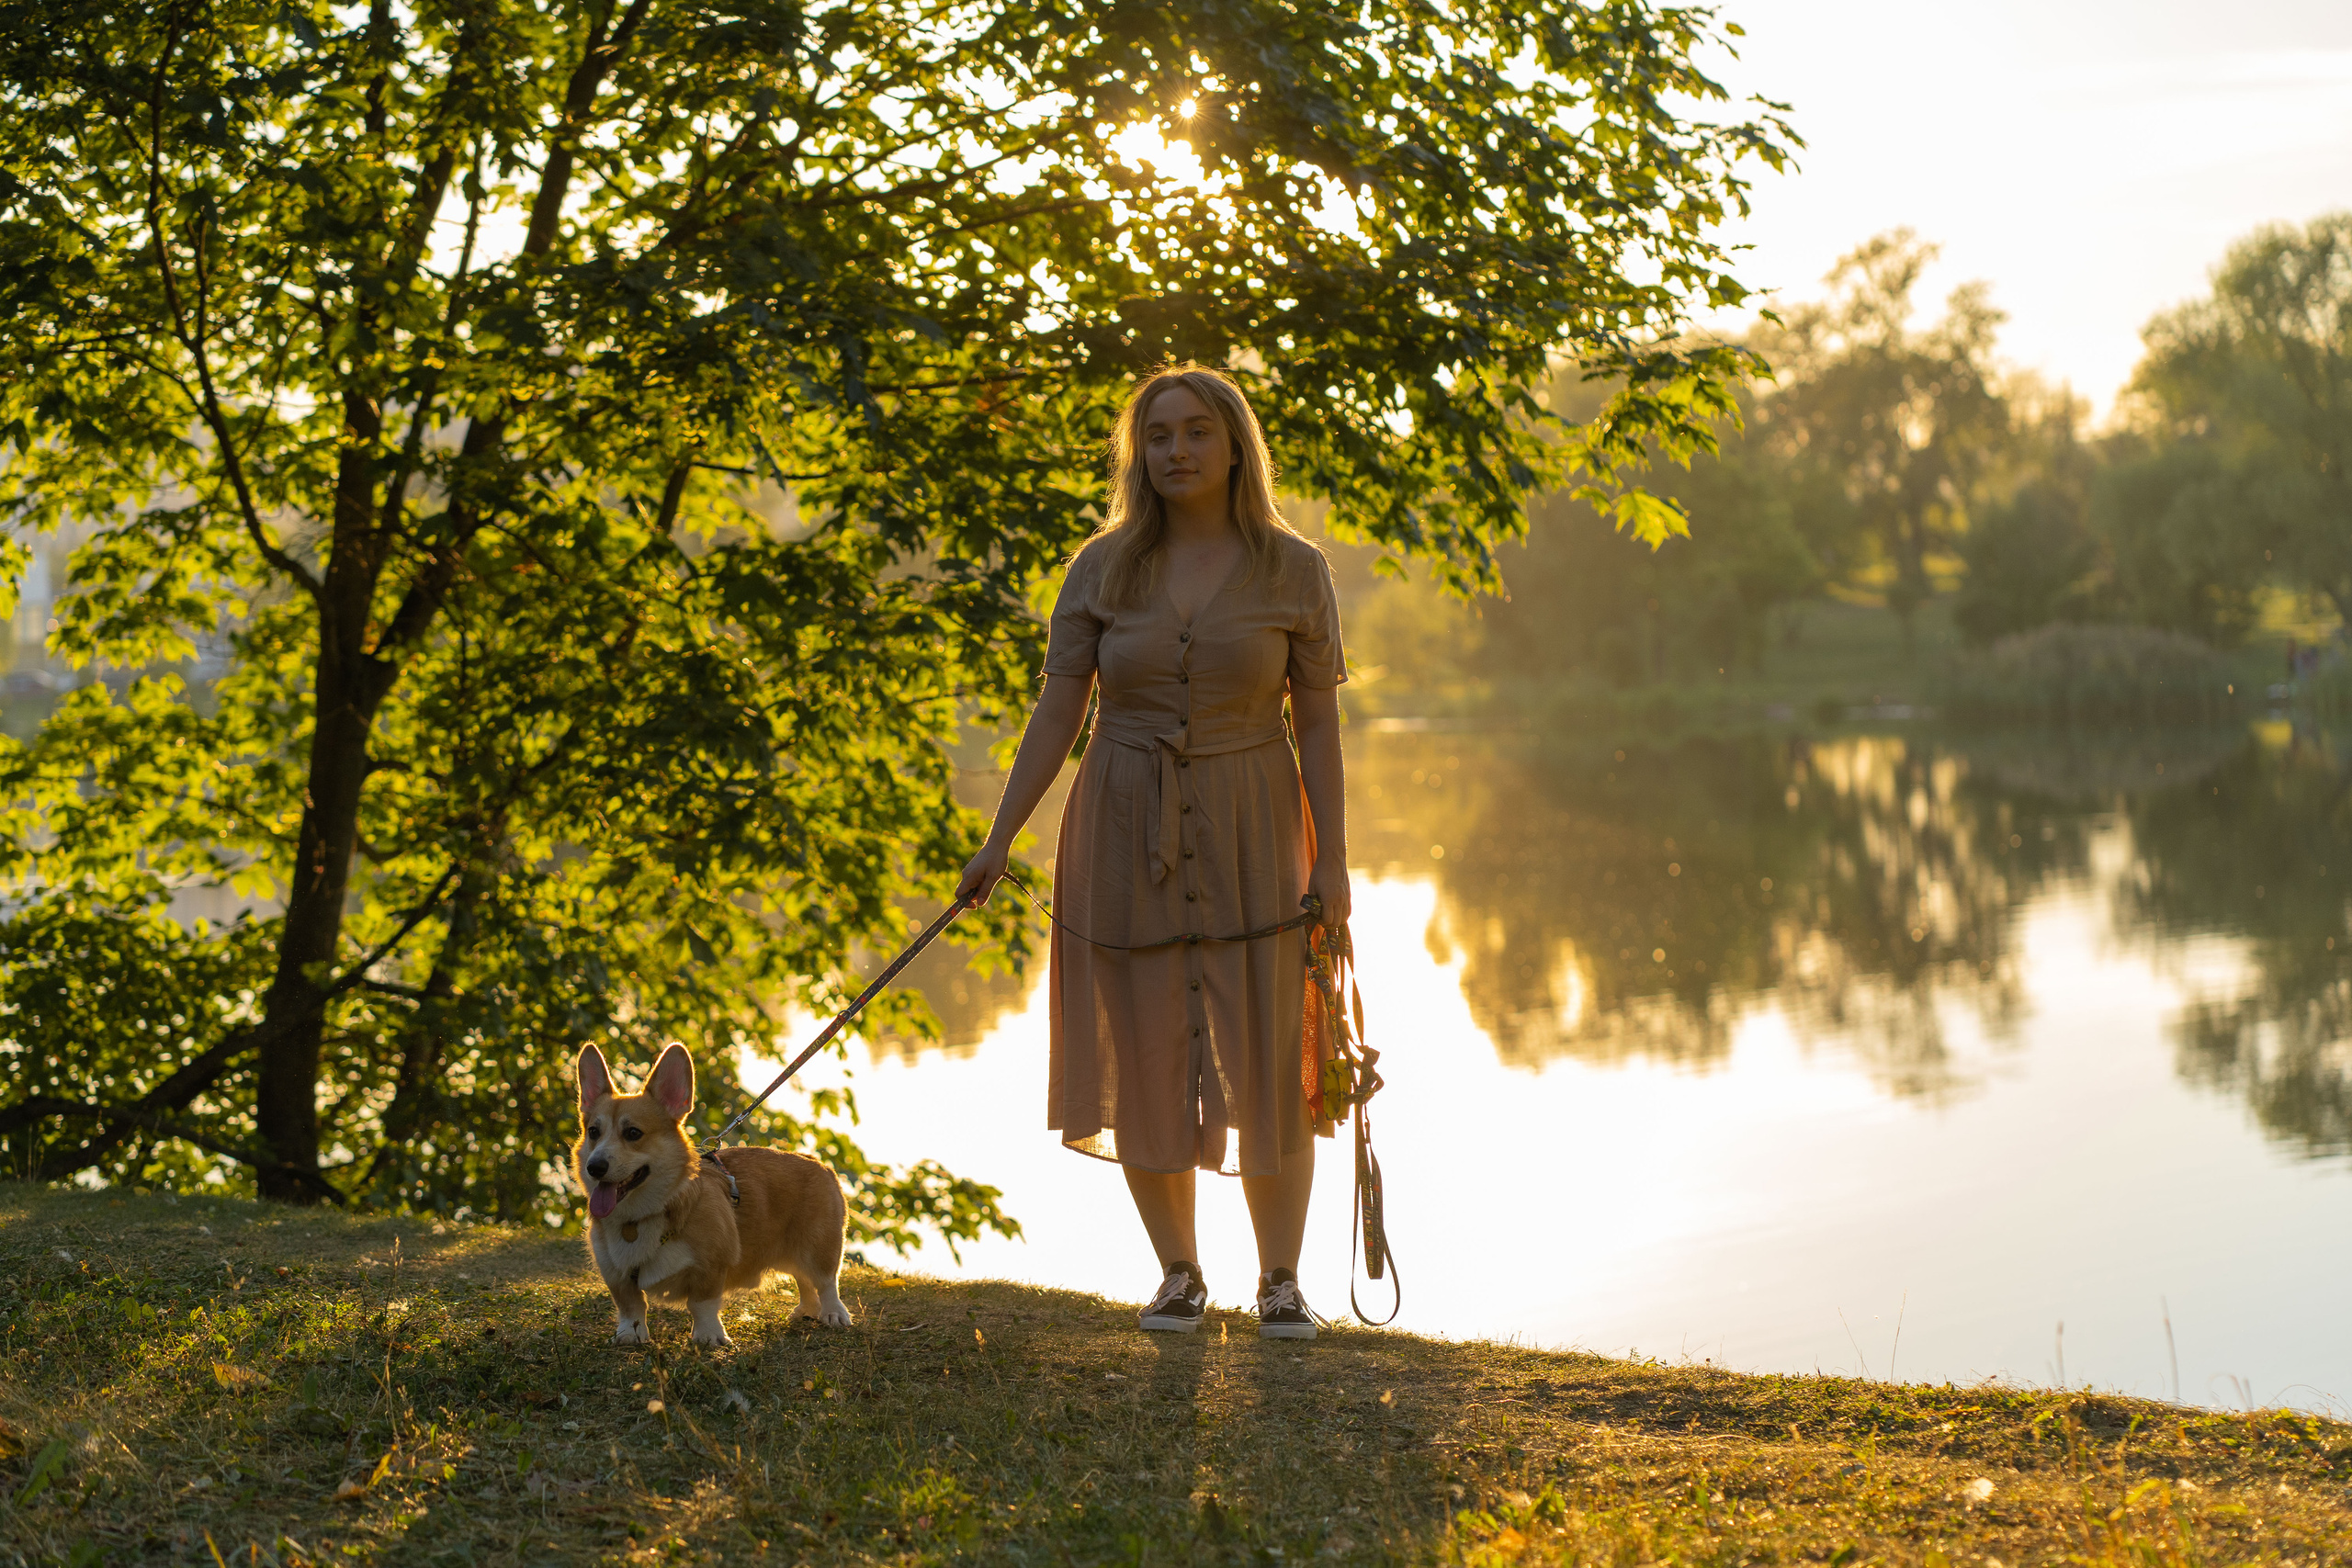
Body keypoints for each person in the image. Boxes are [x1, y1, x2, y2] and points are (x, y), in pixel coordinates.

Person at [955, 364, 1351, 1339]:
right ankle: (1178, 1272)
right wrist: (998, 840)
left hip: (1257, 819)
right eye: (1158, 435)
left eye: (1195, 432)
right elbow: (1059, 711)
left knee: (1265, 1051)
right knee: (1143, 1048)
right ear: (1141, 453)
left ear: (1233, 445)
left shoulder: (1293, 568)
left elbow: (1322, 724)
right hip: (1122, 818)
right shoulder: (1101, 568)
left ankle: (1281, 1282)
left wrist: (1333, 861)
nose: (1175, 451)